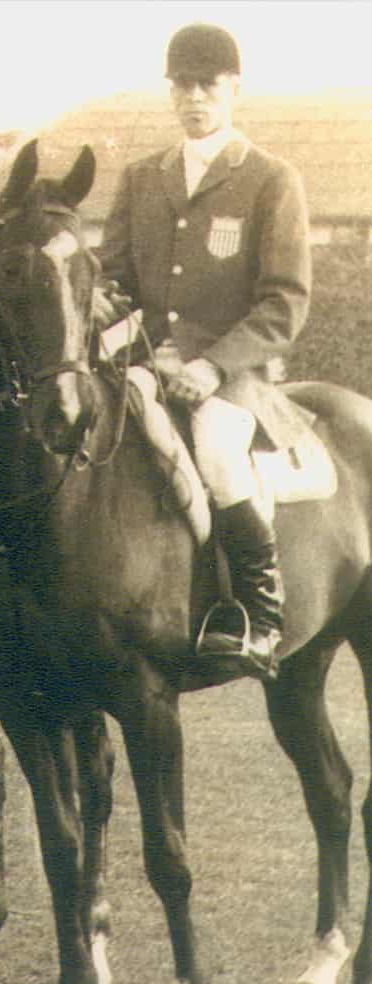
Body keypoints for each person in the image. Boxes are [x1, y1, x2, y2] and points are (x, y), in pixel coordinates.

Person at [94, 23, 311, 682]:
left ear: (233, 89)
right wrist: (99, 307)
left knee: (218, 454)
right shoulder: (141, 177)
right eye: (183, 85)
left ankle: (260, 614)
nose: (195, 98)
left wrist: (211, 365)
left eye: (208, 85)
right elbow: (114, 278)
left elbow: (283, 302)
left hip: (230, 376)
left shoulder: (272, 179)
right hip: (147, 365)